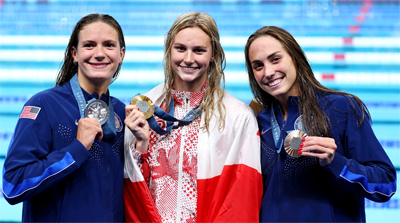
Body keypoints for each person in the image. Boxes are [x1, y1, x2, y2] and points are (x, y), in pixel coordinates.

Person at [245, 26, 397, 222]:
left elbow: (386, 184)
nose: (268, 72)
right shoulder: (258, 121)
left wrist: (335, 163)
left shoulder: (342, 108)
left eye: (275, 59)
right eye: (258, 66)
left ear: (295, 57)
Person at [123, 11, 263, 222]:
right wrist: (140, 144)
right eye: (180, 49)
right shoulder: (146, 107)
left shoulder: (237, 116)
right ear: (169, 50)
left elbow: (241, 196)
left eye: (199, 50)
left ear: (213, 54)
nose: (188, 59)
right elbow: (134, 190)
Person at [2, 13, 126, 222]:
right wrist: (76, 149)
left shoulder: (121, 113)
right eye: (89, 45)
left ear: (121, 54)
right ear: (74, 54)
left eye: (109, 45)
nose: (99, 53)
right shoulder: (44, 105)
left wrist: (142, 148)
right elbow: (13, 185)